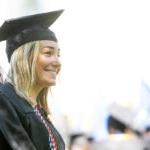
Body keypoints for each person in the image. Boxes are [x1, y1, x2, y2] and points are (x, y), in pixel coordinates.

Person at [0, 9, 65, 150]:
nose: (57, 62)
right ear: (24, 59)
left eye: (58, 55)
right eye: (48, 53)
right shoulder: (4, 101)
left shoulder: (36, 109)